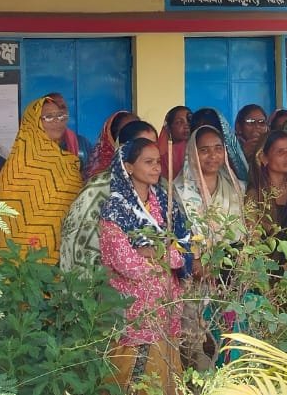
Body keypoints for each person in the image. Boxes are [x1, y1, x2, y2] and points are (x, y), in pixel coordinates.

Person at [100, 138, 190, 395]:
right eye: (148, 162)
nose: (156, 168)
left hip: (166, 304)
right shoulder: (115, 208)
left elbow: (182, 252)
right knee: (132, 377)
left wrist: (150, 252)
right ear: (128, 167)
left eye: (158, 162)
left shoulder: (165, 202)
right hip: (134, 309)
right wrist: (164, 255)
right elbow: (127, 264)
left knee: (165, 372)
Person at [0, 96, 84, 264]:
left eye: (61, 116)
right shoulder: (18, 166)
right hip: (22, 254)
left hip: (63, 251)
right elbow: (8, 219)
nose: (57, 121)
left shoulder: (68, 162)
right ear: (33, 122)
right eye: (48, 117)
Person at [58, 120, 157, 274]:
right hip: (102, 278)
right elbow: (80, 239)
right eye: (141, 145)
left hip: (151, 279)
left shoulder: (158, 190)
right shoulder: (97, 188)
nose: (149, 151)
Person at [178, 125, 246, 247]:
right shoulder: (179, 191)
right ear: (193, 152)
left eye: (218, 149)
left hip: (235, 256)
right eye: (204, 150)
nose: (213, 155)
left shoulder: (238, 188)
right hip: (194, 256)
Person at [245, 130, 287, 250]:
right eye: (281, 152)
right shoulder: (255, 194)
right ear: (263, 158)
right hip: (263, 258)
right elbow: (253, 239)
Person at [87, 110, 139, 179]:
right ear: (112, 137)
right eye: (126, 133)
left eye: (138, 131)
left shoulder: (150, 168)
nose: (135, 137)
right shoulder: (99, 179)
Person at [162, 106, 191, 181]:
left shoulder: (199, 150)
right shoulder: (163, 155)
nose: (186, 126)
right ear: (168, 128)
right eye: (179, 122)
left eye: (189, 121)